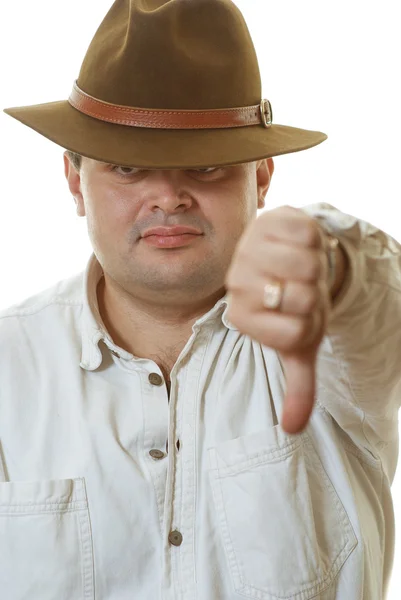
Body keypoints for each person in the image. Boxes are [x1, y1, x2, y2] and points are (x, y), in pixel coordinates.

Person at [1, 1, 400, 598]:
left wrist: (331, 263)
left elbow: (381, 306)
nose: (169, 196)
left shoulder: (330, 345)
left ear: (262, 177)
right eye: (129, 168)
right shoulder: (9, 366)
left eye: (207, 165)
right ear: (73, 180)